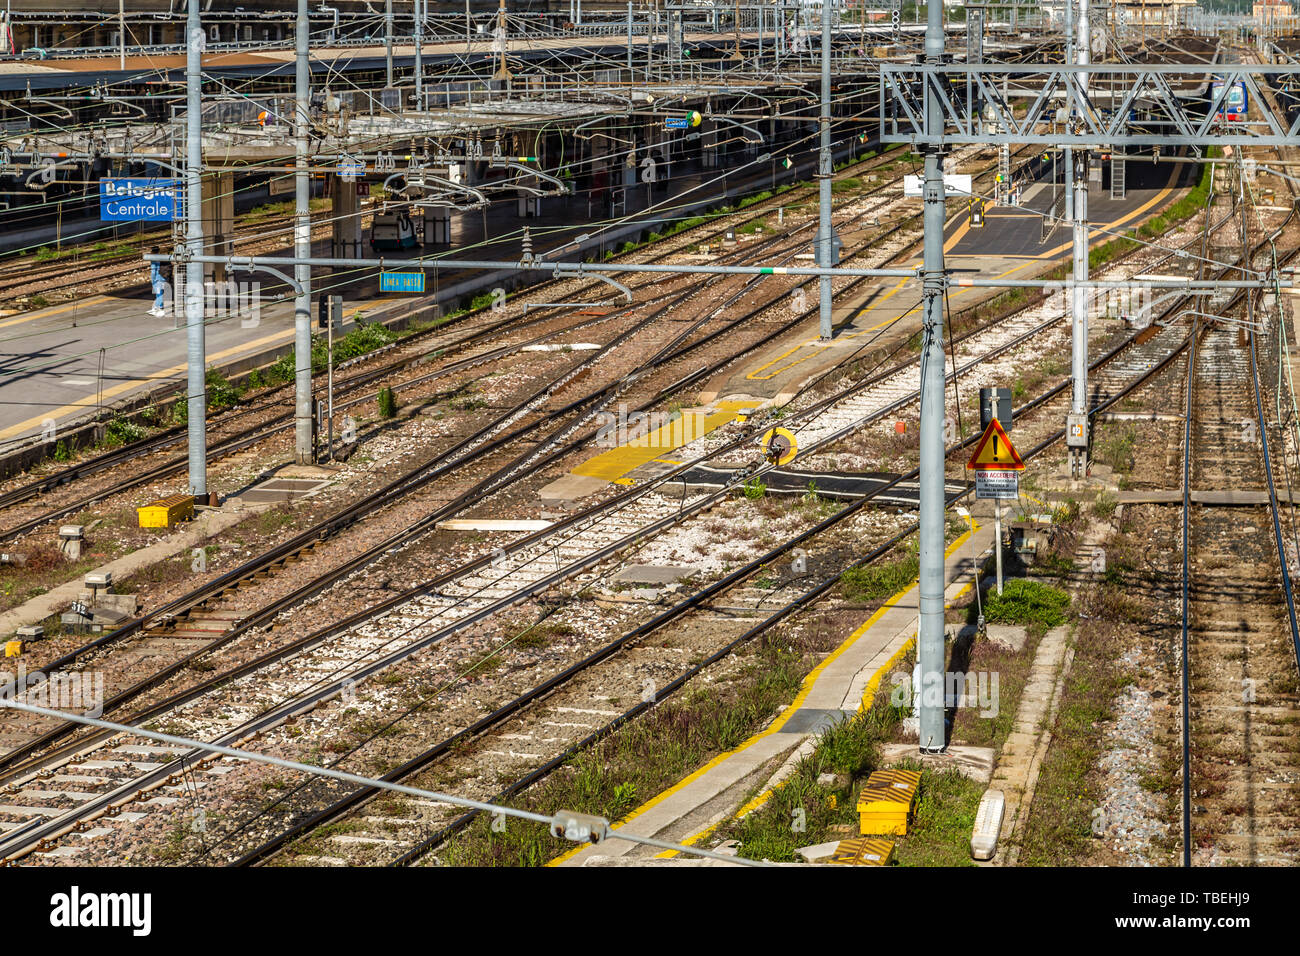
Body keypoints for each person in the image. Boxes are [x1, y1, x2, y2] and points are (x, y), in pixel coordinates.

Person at [149, 247, 167, 317]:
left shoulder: (154, 259)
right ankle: (160, 307)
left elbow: (153, 271)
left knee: (159, 294)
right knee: (160, 293)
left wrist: (152, 279)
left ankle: (156, 308)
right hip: (163, 277)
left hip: (157, 279)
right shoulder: (162, 257)